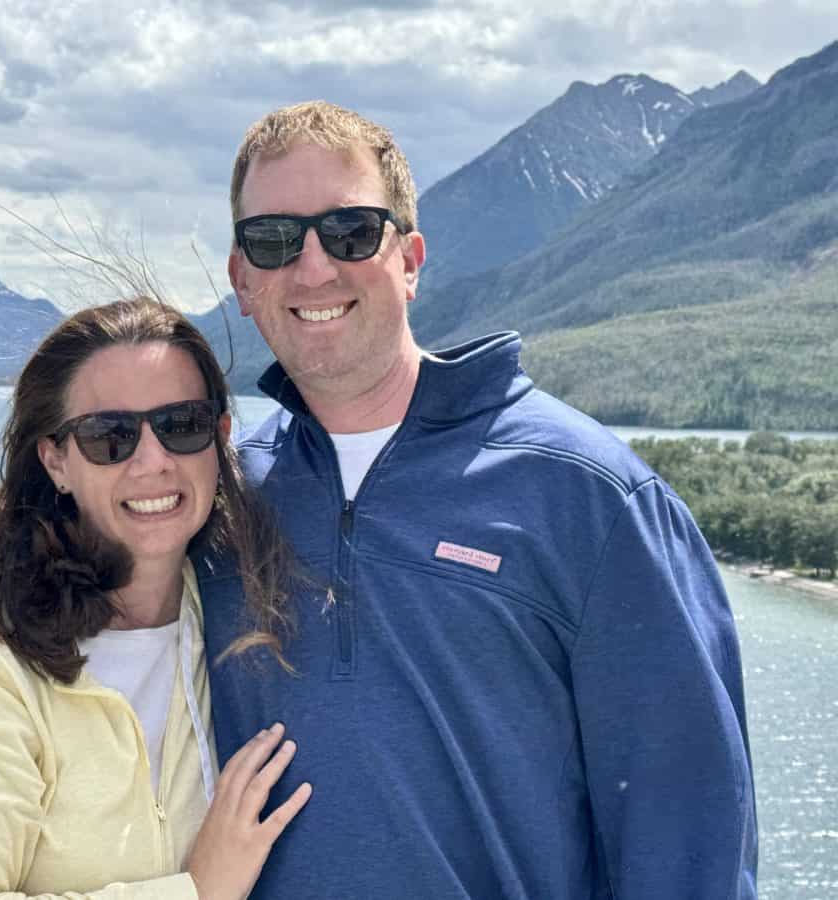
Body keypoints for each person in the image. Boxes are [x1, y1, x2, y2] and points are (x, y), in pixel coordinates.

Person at [196, 101, 758, 898]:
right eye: (275, 240)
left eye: (350, 231)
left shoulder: (591, 499)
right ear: (242, 280)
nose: (313, 268)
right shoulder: (220, 506)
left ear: (411, 259)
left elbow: (689, 835)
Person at [0, 297, 309, 900]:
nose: (153, 462)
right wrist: (197, 891)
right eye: (110, 438)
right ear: (55, 461)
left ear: (220, 437)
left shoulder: (232, 608)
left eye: (182, 426)